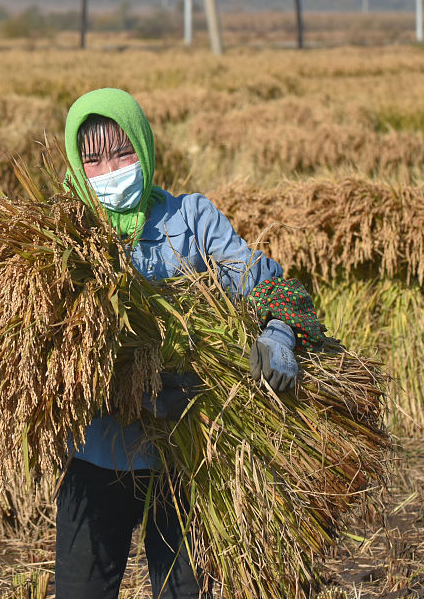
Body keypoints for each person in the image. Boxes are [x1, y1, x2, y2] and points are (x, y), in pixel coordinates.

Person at [58, 88, 324, 599]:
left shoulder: (193, 220)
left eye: (123, 152)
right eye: (92, 160)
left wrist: (280, 332)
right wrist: (127, 390)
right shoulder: (62, 239)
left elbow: (269, 282)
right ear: (76, 163)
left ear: (146, 147)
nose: (110, 170)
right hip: (97, 455)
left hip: (186, 458)